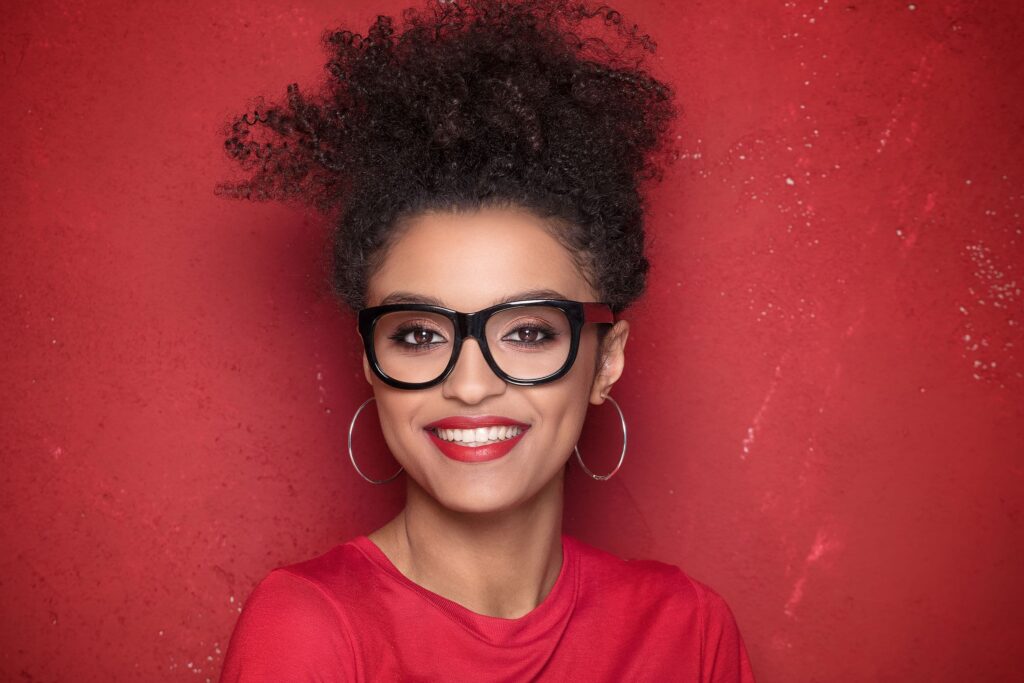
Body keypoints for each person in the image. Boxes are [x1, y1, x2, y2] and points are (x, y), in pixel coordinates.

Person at [216, 0, 756, 680]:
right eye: (417, 334)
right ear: (371, 362)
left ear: (606, 360)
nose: (469, 384)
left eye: (528, 330)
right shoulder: (307, 627)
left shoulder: (688, 628)